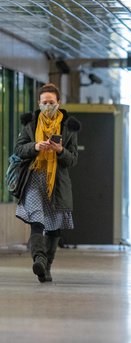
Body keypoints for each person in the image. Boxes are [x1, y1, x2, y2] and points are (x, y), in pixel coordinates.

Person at [14, 83, 80, 283]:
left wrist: (60, 150)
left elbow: (73, 159)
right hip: (34, 178)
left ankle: (46, 267)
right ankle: (39, 259)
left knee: (54, 226)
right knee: (37, 221)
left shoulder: (68, 127)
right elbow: (18, 150)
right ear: (39, 103)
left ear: (58, 103)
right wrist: (35, 146)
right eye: (44, 103)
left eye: (51, 102)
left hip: (57, 182)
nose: (48, 106)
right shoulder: (31, 124)